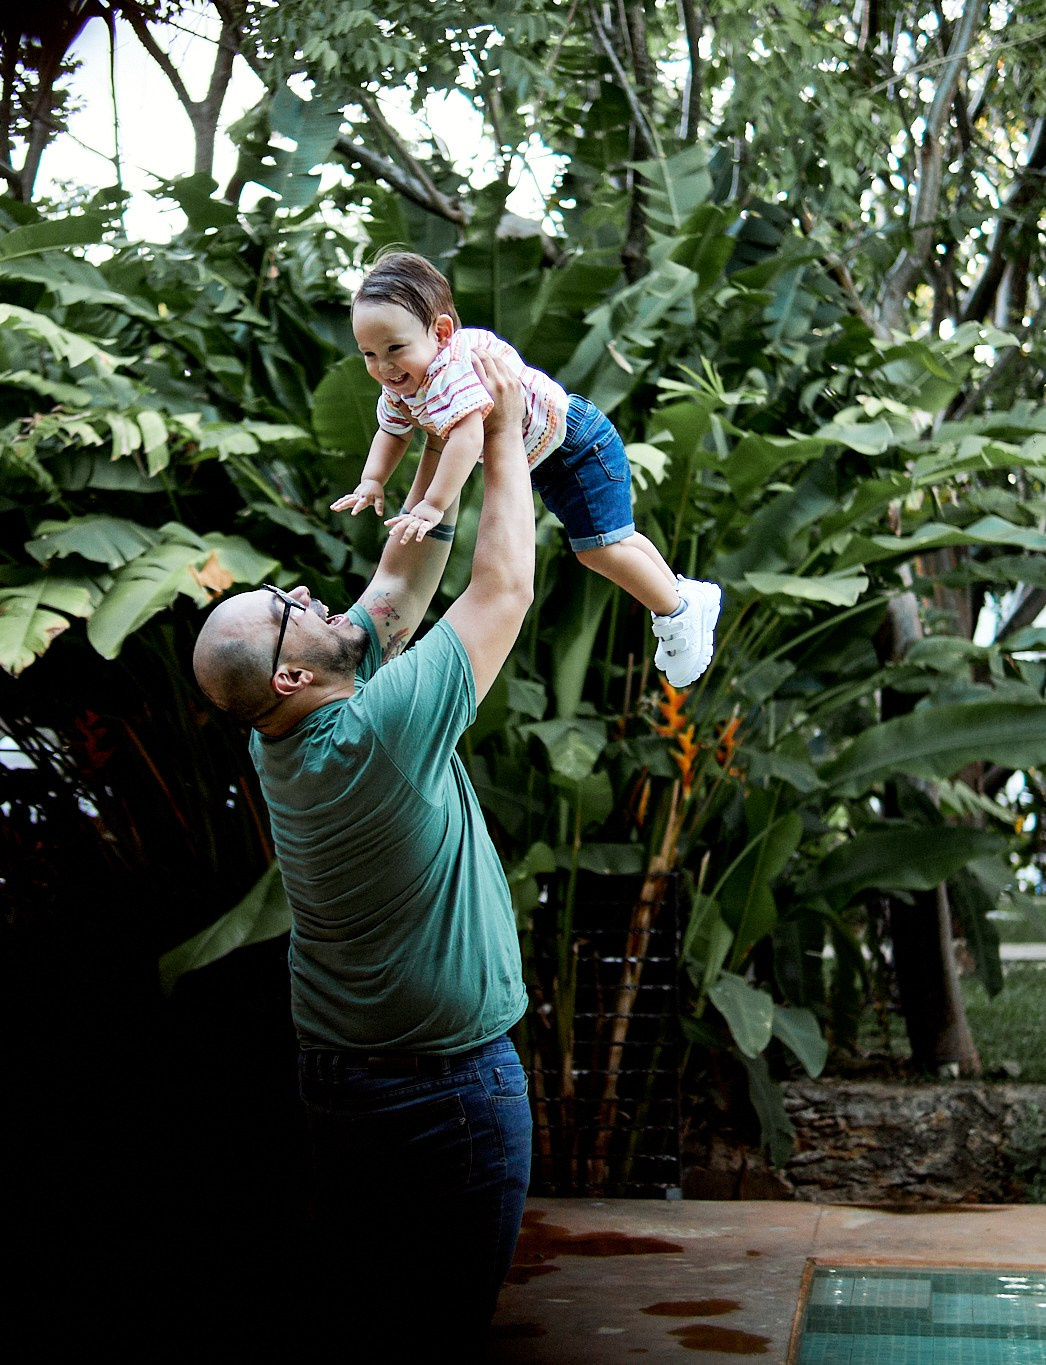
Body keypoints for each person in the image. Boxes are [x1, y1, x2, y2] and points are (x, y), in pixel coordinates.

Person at [192, 351, 537, 1352]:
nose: (307, 594)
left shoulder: (283, 732)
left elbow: (395, 580)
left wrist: (444, 440)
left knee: (366, 1309)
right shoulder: (375, 734)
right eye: (291, 609)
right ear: (295, 673)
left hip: (343, 1077)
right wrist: (508, 432)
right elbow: (501, 590)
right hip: (443, 1092)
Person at [332, 248, 721, 688]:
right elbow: (394, 432)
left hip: (575, 443)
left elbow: (467, 436)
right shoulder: (405, 382)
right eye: (368, 353)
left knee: (596, 549)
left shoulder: (450, 369)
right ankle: (683, 595)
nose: (382, 366)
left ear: (440, 333)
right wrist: (372, 480)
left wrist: (433, 505)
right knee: (617, 539)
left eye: (393, 348)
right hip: (548, 458)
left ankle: (676, 611)